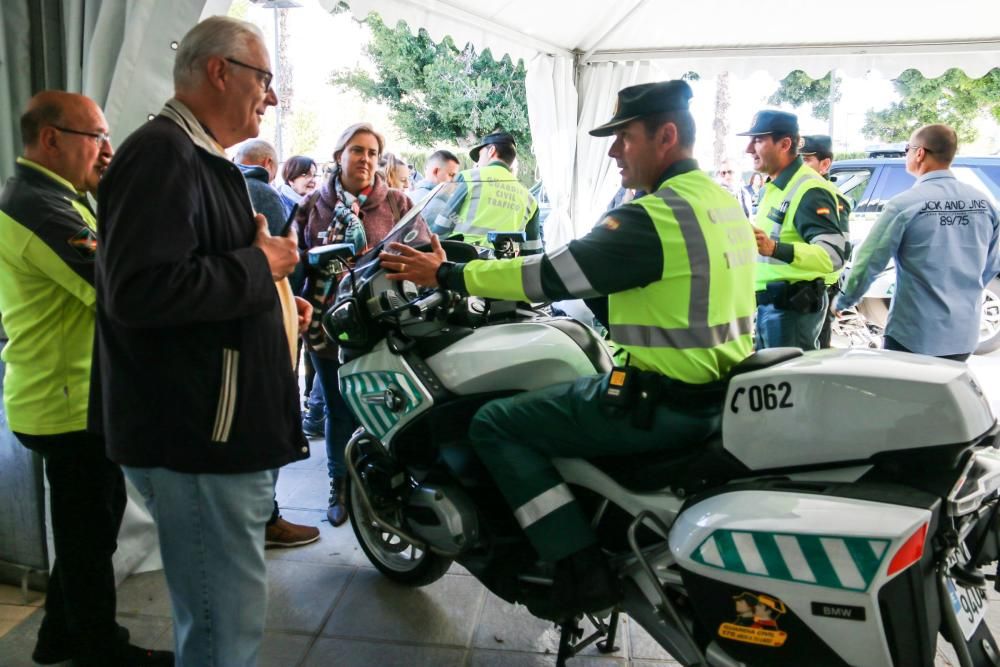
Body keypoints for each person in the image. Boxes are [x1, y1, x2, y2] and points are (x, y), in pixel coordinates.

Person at [379, 80, 756, 617]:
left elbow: (551, 274)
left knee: (495, 423)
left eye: (623, 137)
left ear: (665, 135)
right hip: (712, 395)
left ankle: (577, 568)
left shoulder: (655, 215)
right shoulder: (719, 203)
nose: (612, 151)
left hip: (660, 401)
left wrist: (445, 272)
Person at [90, 16, 307, 665]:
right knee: (220, 626)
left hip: (209, 435)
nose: (270, 96)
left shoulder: (194, 155)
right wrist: (259, 268)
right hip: (197, 440)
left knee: (222, 618)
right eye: (264, 79)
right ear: (220, 71)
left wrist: (272, 303)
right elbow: (140, 290)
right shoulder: (162, 153)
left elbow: (189, 274)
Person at [0, 91, 171, 666]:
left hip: (70, 394)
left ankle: (56, 639)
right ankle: (103, 651)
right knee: (89, 538)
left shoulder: (55, 196)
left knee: (85, 532)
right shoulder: (40, 206)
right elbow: (120, 285)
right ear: (51, 139)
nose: (107, 150)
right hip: (67, 400)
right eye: (96, 137)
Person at [296, 121, 412, 526]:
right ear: (339, 155)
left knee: (383, 410)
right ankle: (340, 485)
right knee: (338, 409)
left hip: (382, 329)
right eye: (357, 150)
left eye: (373, 153)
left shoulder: (396, 202)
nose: (365, 159)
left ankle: (380, 486)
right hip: (328, 328)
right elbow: (294, 264)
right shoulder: (312, 206)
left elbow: (420, 253)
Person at [835, 124, 1000, 360]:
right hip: (963, 334)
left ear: (920, 153)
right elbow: (992, 264)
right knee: (946, 394)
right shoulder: (984, 204)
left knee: (907, 396)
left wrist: (844, 300)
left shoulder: (906, 204)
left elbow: (870, 260)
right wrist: (964, 293)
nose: (907, 154)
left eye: (907, 149)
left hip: (914, 335)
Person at [235, 140, 321, 549]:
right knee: (267, 431)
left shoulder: (230, 188)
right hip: (264, 338)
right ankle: (265, 520)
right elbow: (287, 262)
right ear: (270, 165)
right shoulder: (262, 194)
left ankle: (262, 518)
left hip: (262, 329)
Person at [739, 110, 849, 351]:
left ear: (785, 144)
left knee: (790, 386)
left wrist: (776, 249)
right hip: (773, 309)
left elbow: (834, 255)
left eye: (758, 140)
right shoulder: (775, 186)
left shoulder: (809, 189)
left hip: (792, 313)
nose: (749, 148)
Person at [429, 130, 542, 255]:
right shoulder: (530, 199)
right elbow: (533, 251)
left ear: (491, 150)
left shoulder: (468, 178)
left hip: (463, 263)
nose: (477, 162)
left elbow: (442, 226)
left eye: (480, 155)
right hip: (502, 269)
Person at [799, 134, 853, 348]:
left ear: (825, 164)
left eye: (806, 160)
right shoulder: (798, 191)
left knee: (813, 359)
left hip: (817, 291)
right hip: (805, 292)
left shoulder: (830, 197)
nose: (799, 167)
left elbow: (838, 253)